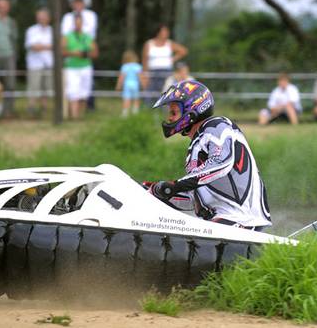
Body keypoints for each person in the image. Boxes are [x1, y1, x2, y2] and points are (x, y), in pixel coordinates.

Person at [148, 80, 272, 230]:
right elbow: (193, 197)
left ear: (191, 111)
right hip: (222, 221)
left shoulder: (217, 126)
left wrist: (176, 185)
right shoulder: (196, 145)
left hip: (243, 221)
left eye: (174, 113)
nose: (169, 118)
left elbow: (220, 163)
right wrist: (153, 193)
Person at [62, 16, 98, 119]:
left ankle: (80, 115)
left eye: (80, 23)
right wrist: (73, 53)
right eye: (76, 23)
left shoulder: (88, 37)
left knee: (84, 91)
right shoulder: (67, 36)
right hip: (72, 68)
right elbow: (62, 51)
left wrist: (85, 54)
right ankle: (74, 115)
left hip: (85, 67)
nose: (78, 25)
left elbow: (95, 53)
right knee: (73, 91)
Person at [142, 25, 188, 97]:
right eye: (164, 31)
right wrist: (145, 74)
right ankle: (149, 107)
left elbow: (183, 51)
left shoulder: (169, 43)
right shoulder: (149, 44)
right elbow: (145, 60)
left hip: (166, 71)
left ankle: (165, 107)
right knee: (151, 92)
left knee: (166, 91)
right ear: (158, 32)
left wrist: (172, 59)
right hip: (152, 71)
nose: (166, 33)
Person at [24, 8, 53, 116]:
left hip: (49, 64)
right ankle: (31, 107)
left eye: (44, 17)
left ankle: (44, 108)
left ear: (48, 18)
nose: (42, 19)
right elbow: (33, 46)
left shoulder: (52, 30)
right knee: (33, 87)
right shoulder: (31, 30)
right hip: (34, 65)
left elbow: (56, 46)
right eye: (40, 17)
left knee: (46, 88)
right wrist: (47, 46)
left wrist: (41, 45)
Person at [115, 50, 144, 117]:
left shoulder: (124, 66)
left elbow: (121, 77)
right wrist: (142, 85)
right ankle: (135, 113)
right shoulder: (138, 66)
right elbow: (140, 77)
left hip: (127, 84)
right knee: (136, 99)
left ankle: (125, 114)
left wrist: (118, 86)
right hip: (135, 84)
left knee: (126, 98)